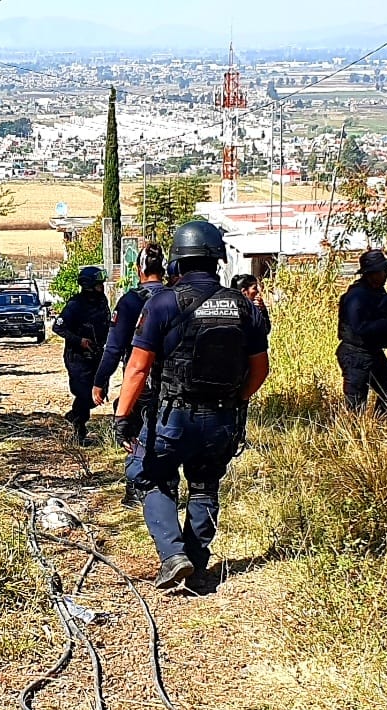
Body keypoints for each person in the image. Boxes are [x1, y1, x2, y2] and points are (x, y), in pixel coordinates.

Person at [113, 221, 270, 590]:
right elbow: (260, 370)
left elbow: (137, 367)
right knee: (204, 486)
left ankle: (173, 555)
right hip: (220, 417)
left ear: (178, 262)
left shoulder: (164, 302)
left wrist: (123, 417)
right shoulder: (241, 306)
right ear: (217, 259)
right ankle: (198, 568)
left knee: (149, 476)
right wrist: (236, 400)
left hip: (173, 416)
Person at [92, 243, 167, 507]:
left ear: (139, 270)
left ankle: (136, 490)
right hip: (172, 383)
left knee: (133, 433)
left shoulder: (131, 301)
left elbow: (113, 348)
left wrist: (100, 381)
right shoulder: (175, 297)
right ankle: (164, 488)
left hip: (139, 382)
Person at [336, 249, 387, 416]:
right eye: (384, 270)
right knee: (356, 406)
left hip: (372, 353)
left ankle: (379, 429)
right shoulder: (356, 296)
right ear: (372, 274)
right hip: (355, 355)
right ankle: (354, 438)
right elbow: (359, 328)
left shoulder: (378, 294)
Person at [53, 266, 111, 444]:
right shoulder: (75, 305)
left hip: (97, 354)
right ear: (89, 285)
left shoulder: (102, 301)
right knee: (85, 393)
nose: (102, 286)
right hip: (77, 358)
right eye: (99, 283)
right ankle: (78, 428)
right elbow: (58, 327)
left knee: (100, 393)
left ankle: (75, 416)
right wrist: (79, 340)